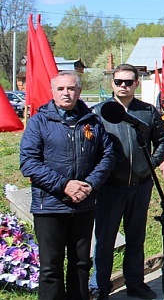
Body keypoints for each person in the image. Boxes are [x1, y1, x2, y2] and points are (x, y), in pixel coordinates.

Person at [19, 71, 114, 300]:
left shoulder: (92, 121)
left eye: (71, 88)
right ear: (53, 92)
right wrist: (65, 186)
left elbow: (107, 156)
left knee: (80, 264)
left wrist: (89, 185)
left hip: (84, 204)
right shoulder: (39, 122)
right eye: (61, 89)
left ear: (79, 92)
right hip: (50, 206)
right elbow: (29, 163)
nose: (66, 93)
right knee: (51, 267)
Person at [91, 65, 164, 300]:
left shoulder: (147, 111)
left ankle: (135, 282)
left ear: (136, 83)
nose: (122, 86)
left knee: (136, 236)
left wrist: (151, 164)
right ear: (112, 83)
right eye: (118, 82)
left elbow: (163, 140)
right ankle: (100, 287)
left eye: (127, 82)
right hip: (110, 187)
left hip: (140, 184)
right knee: (105, 239)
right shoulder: (99, 112)